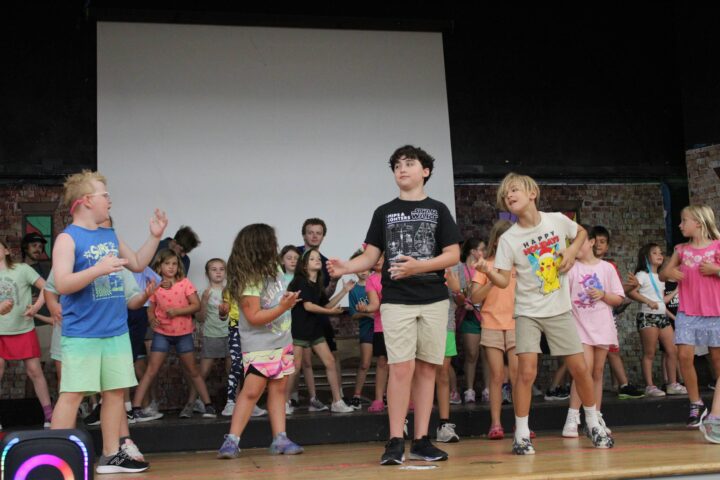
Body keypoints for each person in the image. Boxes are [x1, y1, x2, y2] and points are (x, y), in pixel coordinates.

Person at [327, 145, 461, 465]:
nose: (402, 169)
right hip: (397, 300)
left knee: (429, 368)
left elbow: (453, 254)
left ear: (425, 171)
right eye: (397, 165)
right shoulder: (383, 212)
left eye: (409, 164)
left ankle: (422, 440)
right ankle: (395, 441)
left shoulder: (439, 209)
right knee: (402, 368)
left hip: (433, 299)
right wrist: (346, 266)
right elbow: (372, 256)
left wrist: (419, 267)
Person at [477, 172, 614, 455]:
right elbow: (503, 281)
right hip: (527, 312)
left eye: (514, 190)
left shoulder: (556, 220)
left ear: (532, 193)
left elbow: (582, 233)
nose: (509, 196)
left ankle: (593, 421)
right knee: (525, 372)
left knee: (580, 369)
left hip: (560, 310)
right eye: (505, 195)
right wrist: (488, 271)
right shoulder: (509, 239)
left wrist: (572, 251)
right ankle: (522, 433)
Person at [50, 170, 167, 474]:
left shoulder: (110, 235)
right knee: (73, 394)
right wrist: (98, 269)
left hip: (115, 331)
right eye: (105, 195)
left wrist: (154, 237)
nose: (110, 201)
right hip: (83, 334)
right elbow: (62, 283)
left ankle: (111, 455)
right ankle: (55, 457)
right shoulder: (67, 238)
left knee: (115, 392)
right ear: (87, 200)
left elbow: (139, 264)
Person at [217, 224, 303, 458]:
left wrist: (284, 301)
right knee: (252, 391)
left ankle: (280, 439)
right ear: (259, 246)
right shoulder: (249, 280)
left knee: (279, 387)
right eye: (270, 241)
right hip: (260, 345)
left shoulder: (274, 268)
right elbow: (254, 317)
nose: (274, 245)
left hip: (281, 339)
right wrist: (283, 306)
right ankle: (232, 440)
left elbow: (273, 300)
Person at [130, 249, 216, 421]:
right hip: (162, 333)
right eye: (167, 264)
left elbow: (196, 305)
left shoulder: (185, 283)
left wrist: (177, 311)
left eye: (174, 264)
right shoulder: (155, 285)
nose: (171, 267)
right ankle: (135, 407)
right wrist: (152, 319)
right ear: (160, 266)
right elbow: (151, 308)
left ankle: (208, 404)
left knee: (192, 370)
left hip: (183, 333)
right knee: (152, 369)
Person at [660, 205, 720, 439]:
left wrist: (716, 268)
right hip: (688, 311)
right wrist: (669, 274)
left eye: (684, 220)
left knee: (717, 361)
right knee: (684, 356)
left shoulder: (716, 246)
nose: (680, 224)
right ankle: (696, 403)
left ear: (699, 222)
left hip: (715, 312)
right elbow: (664, 273)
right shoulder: (681, 250)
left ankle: (716, 411)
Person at [561, 226, 625, 438]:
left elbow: (618, 298)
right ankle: (573, 416)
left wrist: (603, 294)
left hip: (602, 324)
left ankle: (595, 416)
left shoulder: (606, 268)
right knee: (583, 370)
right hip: (579, 324)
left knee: (597, 372)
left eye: (579, 242)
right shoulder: (571, 268)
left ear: (590, 243)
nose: (575, 247)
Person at [287, 248, 355, 413]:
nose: (317, 260)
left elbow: (326, 305)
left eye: (318, 258)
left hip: (315, 330)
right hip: (300, 329)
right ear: (304, 266)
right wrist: (330, 313)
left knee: (330, 362)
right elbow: (309, 306)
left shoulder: (317, 283)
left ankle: (337, 402)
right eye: (312, 259)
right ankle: (283, 402)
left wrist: (344, 291)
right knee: (295, 367)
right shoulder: (300, 281)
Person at [471, 220, 517, 440]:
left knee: (518, 376)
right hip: (492, 323)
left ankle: (522, 424)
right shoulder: (484, 264)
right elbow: (474, 297)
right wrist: (492, 277)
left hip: (517, 323)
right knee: (497, 376)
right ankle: (496, 424)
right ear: (498, 240)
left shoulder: (521, 265)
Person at [0, 238, 52, 429]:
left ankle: (49, 416)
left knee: (35, 371)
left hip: (23, 328)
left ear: (6, 250)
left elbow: (47, 287)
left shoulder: (22, 269)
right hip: (0, 332)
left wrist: (36, 307)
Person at [590, 226, 645, 400]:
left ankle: (622, 385)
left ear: (607, 246)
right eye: (596, 241)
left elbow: (616, 291)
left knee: (612, 350)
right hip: (587, 315)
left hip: (606, 314)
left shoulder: (609, 266)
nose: (599, 245)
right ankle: (620, 385)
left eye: (603, 242)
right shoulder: (581, 264)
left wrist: (633, 286)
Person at [627, 243, 686, 396]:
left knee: (672, 350)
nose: (660, 255)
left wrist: (676, 291)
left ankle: (672, 384)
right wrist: (647, 302)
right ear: (646, 257)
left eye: (660, 253)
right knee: (650, 353)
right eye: (655, 253)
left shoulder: (660, 277)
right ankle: (650, 386)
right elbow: (631, 292)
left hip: (662, 316)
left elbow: (661, 301)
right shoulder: (642, 275)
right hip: (647, 316)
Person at [185, 259, 232, 415]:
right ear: (207, 273)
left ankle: (235, 401)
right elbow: (200, 318)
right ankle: (192, 402)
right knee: (203, 371)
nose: (218, 272)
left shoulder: (230, 291)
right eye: (214, 269)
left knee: (232, 370)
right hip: (212, 335)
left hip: (229, 334)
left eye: (221, 269)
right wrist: (204, 301)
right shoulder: (204, 292)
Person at [356, 255, 389, 413]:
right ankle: (378, 399)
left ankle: (408, 398)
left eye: (380, 257)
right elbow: (374, 304)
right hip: (381, 326)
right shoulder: (371, 279)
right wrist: (366, 309)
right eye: (374, 257)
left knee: (402, 364)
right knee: (382, 362)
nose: (377, 260)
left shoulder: (396, 273)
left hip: (402, 325)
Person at [456, 238, 485, 404]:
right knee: (472, 353)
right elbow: (455, 290)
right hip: (468, 315)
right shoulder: (460, 268)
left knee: (488, 354)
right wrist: (465, 303)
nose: (485, 252)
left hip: (485, 315)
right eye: (482, 248)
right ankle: (469, 389)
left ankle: (488, 389)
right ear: (473, 251)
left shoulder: (485, 267)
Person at [347, 249, 374, 410]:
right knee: (365, 363)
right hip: (366, 330)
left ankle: (383, 395)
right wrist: (365, 313)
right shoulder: (354, 290)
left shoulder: (378, 283)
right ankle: (357, 395)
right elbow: (353, 315)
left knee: (386, 363)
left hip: (383, 328)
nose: (363, 271)